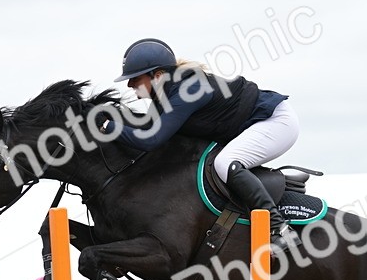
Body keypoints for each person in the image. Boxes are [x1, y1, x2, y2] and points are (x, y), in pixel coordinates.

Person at [111, 38, 300, 249]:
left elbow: (151, 140)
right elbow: (145, 130)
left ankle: (280, 229)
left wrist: (107, 128)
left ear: (157, 76)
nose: (129, 84)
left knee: (225, 162)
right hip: (256, 124)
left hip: (276, 122)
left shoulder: (187, 91)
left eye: (135, 78)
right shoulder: (165, 96)